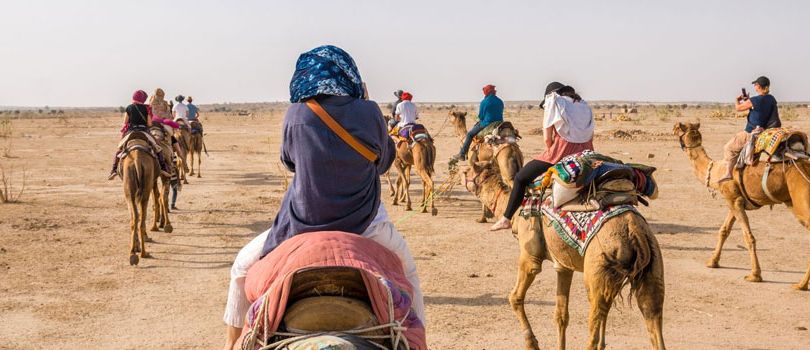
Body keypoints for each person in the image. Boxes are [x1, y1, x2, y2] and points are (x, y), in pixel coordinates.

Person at [222, 45, 425, 350]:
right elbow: (383, 163)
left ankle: (232, 343)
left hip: (299, 227)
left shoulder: (296, 114)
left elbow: (289, 161)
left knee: (241, 268)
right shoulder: (369, 111)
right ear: (348, 73)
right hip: (368, 227)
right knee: (408, 274)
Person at [490, 82, 595, 231]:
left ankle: (506, 218)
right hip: (586, 154)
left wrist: (551, 154)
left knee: (520, 178)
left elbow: (547, 139)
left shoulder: (554, 101)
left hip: (561, 153)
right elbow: (590, 135)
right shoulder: (583, 105)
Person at [718, 76, 780, 182]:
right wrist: (749, 101)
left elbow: (738, 108)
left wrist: (737, 100)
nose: (754, 86)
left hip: (751, 132)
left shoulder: (755, 100)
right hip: (766, 130)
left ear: (759, 86)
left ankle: (728, 173)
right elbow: (759, 109)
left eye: (755, 85)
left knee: (728, 148)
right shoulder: (771, 98)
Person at [108, 90, 171, 180]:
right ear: (143, 99)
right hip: (144, 131)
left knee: (120, 149)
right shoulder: (146, 108)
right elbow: (149, 124)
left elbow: (125, 122)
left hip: (131, 132)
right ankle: (163, 168)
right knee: (157, 147)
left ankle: (113, 170)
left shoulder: (129, 107)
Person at [453, 84, 504, 161]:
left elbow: (481, 116)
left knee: (470, 134)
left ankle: (462, 154)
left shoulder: (484, 102)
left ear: (486, 92)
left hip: (487, 124)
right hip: (500, 123)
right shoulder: (500, 101)